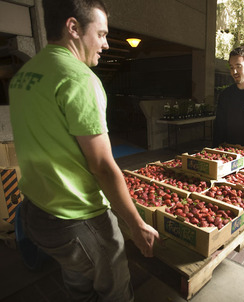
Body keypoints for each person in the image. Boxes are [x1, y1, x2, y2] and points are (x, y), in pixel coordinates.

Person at [9, 0, 160, 301]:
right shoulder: (79, 79)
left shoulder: (25, 75)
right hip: (77, 219)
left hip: (35, 212)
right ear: (73, 28)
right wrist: (135, 224)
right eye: (102, 34)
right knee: (114, 291)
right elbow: (102, 166)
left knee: (78, 280)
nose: (105, 44)